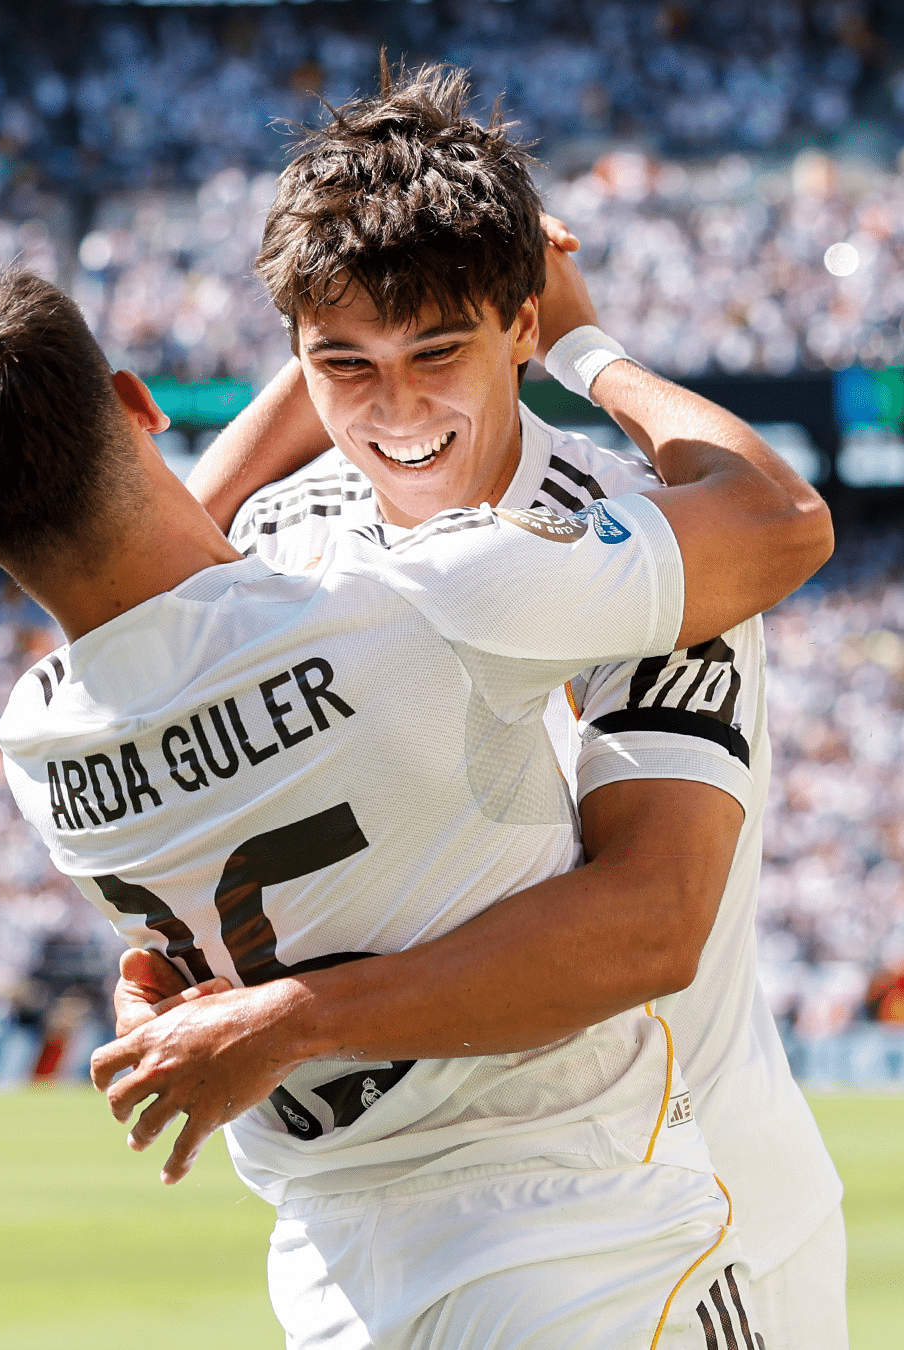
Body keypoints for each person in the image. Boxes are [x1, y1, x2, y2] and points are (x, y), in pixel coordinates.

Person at [0, 263, 826, 1350]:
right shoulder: (408, 599)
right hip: (581, 1250)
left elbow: (181, 597)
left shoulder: (37, 746)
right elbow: (779, 519)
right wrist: (578, 343)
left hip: (339, 1287)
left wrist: (332, 336)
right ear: (136, 400)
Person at [121, 66, 847, 1349]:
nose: (396, 413)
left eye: (439, 351)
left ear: (517, 324)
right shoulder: (284, 536)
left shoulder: (650, 543)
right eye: (342, 363)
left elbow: (649, 923)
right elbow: (148, 615)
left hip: (680, 1235)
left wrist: (586, 343)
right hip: (384, 1243)